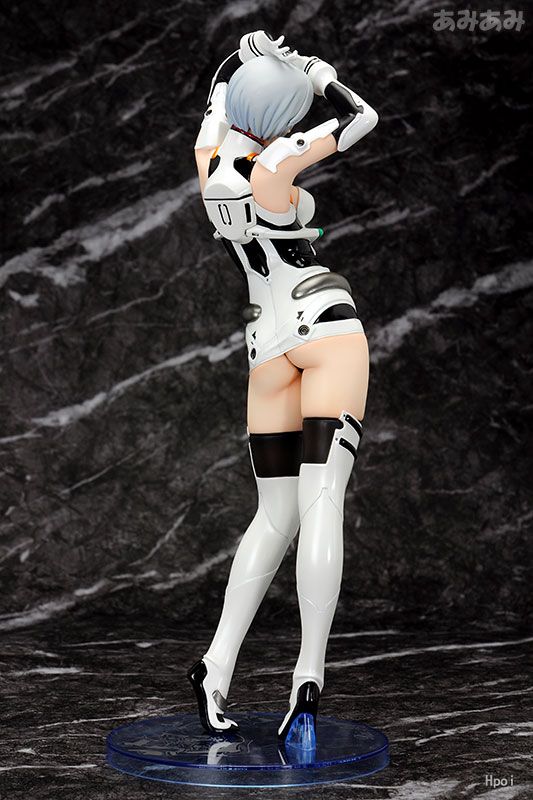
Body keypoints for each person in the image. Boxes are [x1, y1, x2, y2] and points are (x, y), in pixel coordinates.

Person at [187, 30, 378, 746]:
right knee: (321, 501)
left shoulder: (209, 162)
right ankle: (308, 678)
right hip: (324, 330)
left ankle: (214, 667)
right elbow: (362, 117)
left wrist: (245, 58)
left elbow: (216, 98)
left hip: (263, 350)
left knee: (273, 515)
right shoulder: (275, 164)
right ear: (284, 116)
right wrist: (318, 73)